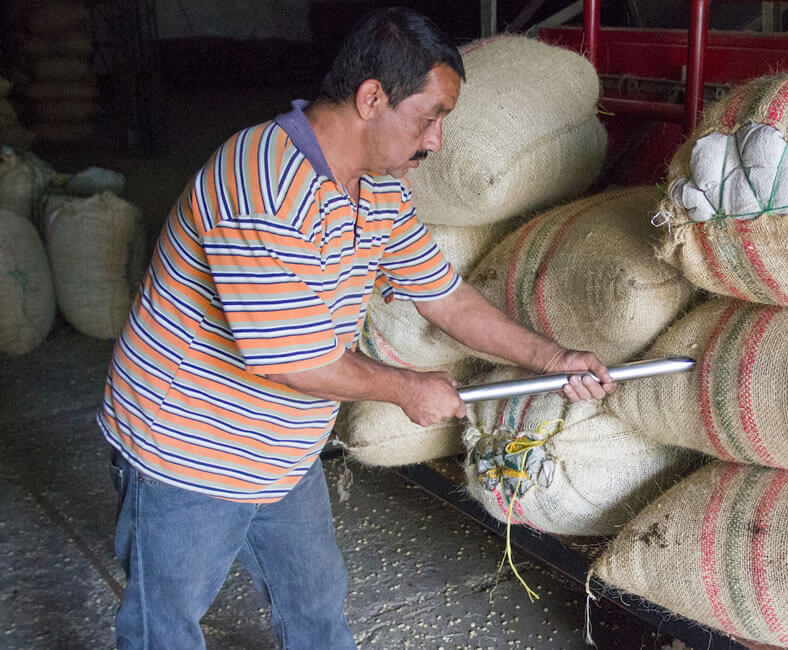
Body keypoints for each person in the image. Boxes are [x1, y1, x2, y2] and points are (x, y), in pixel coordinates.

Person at [97, 8, 613, 649]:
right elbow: (294, 360)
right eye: (429, 117)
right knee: (164, 627)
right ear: (372, 99)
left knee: (315, 605)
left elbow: (445, 295)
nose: (436, 142)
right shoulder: (261, 184)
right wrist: (408, 388)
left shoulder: (379, 190)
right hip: (186, 449)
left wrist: (552, 358)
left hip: (282, 450)